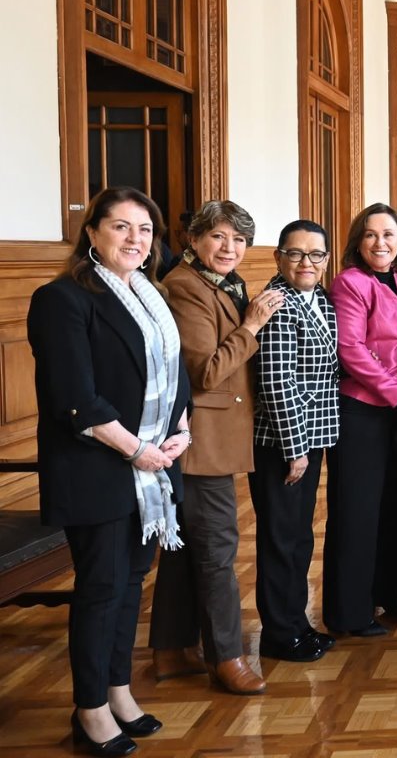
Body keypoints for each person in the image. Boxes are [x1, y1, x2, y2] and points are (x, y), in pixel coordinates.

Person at [28, 187, 191, 756]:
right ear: (93, 233)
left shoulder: (149, 295)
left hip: (149, 468)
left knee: (129, 587)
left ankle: (118, 690)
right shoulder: (63, 298)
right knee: (100, 588)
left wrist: (181, 431)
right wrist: (136, 450)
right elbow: (75, 397)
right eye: (120, 227)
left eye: (144, 230)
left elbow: (176, 376)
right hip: (97, 466)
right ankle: (89, 709)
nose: (134, 239)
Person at [149, 200, 280, 696]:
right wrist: (251, 326)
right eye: (219, 237)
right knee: (219, 551)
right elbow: (205, 372)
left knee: (186, 549)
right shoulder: (185, 287)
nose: (230, 248)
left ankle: (171, 649)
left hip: (217, 436)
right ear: (194, 240)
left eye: (239, 240)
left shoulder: (218, 283)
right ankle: (228, 657)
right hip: (200, 440)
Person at [324, 203, 397, 636]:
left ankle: (388, 595)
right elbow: (350, 350)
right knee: (356, 513)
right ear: (357, 241)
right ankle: (349, 612)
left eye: (388, 235)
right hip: (363, 411)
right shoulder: (349, 282)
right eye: (370, 235)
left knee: (391, 508)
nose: (380, 243)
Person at [248, 220, 340, 663]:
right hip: (284, 444)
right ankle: (279, 634)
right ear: (278, 257)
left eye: (316, 254)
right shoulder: (276, 304)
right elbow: (276, 382)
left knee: (299, 536)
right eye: (296, 253)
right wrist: (296, 449)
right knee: (281, 538)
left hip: (312, 436)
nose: (306, 262)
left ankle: (297, 622)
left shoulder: (319, 297)